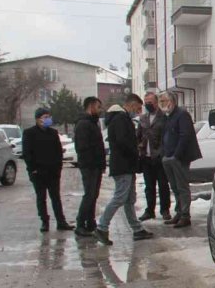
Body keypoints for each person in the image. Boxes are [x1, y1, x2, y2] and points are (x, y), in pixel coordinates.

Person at [95, 94, 154, 245]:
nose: (138, 111)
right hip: (123, 165)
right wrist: (135, 151)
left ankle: (136, 229)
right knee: (120, 197)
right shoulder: (121, 119)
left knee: (129, 199)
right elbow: (123, 142)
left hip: (126, 165)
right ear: (132, 104)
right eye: (138, 108)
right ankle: (102, 226)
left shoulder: (120, 118)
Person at [21, 107, 74, 233]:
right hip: (38, 172)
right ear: (38, 119)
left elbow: (58, 152)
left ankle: (61, 221)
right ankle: (45, 221)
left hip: (53, 172)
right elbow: (27, 153)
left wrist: (58, 168)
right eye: (45, 117)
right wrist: (32, 169)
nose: (48, 119)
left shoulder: (53, 133)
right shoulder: (29, 133)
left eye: (48, 117)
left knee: (55, 197)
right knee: (41, 198)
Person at [158, 91, 202, 229]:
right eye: (161, 102)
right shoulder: (166, 117)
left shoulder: (182, 114)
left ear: (172, 101)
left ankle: (185, 215)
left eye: (164, 101)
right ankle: (178, 212)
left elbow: (185, 135)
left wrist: (176, 155)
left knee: (182, 187)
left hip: (179, 158)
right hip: (168, 157)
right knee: (175, 187)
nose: (162, 104)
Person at [73, 97, 106, 237]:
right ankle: (80, 224)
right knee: (89, 194)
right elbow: (82, 147)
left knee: (94, 195)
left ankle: (90, 222)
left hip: (96, 165)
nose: (100, 110)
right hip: (89, 166)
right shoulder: (83, 124)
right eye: (98, 107)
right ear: (91, 107)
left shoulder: (92, 123)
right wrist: (93, 162)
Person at [136, 91, 172, 221]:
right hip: (146, 157)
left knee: (163, 185)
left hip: (159, 157)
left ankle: (165, 210)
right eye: (146, 102)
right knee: (149, 186)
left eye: (150, 102)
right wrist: (140, 147)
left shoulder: (164, 117)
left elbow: (167, 137)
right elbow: (138, 136)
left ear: (156, 102)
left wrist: (163, 152)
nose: (147, 104)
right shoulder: (143, 118)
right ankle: (149, 210)